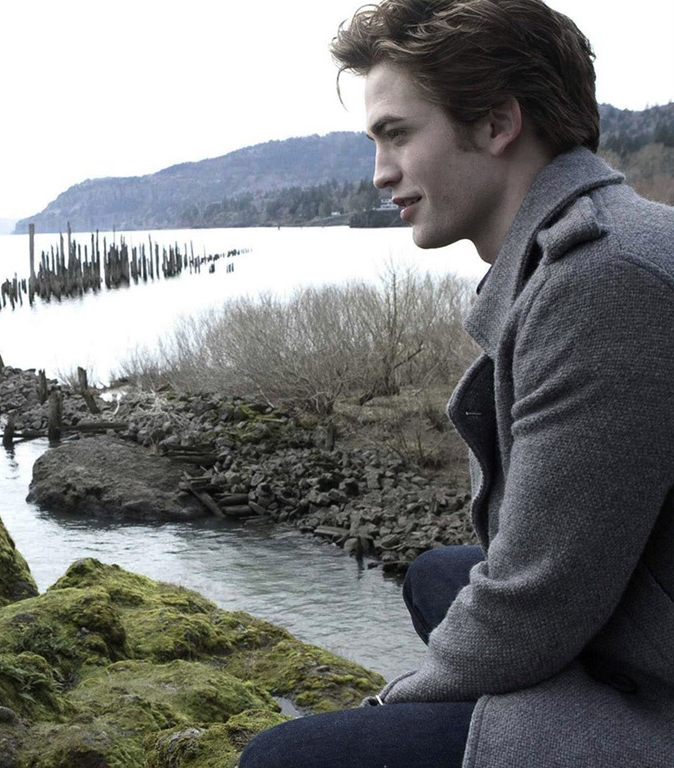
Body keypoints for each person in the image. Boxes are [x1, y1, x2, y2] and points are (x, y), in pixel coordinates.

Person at [239, 1, 674, 766]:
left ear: (498, 123)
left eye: (398, 134)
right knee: (435, 577)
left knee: (282, 759)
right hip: (639, 616)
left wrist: (387, 708)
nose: (381, 173)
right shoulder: (582, 249)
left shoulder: (605, 281)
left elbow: (535, 604)